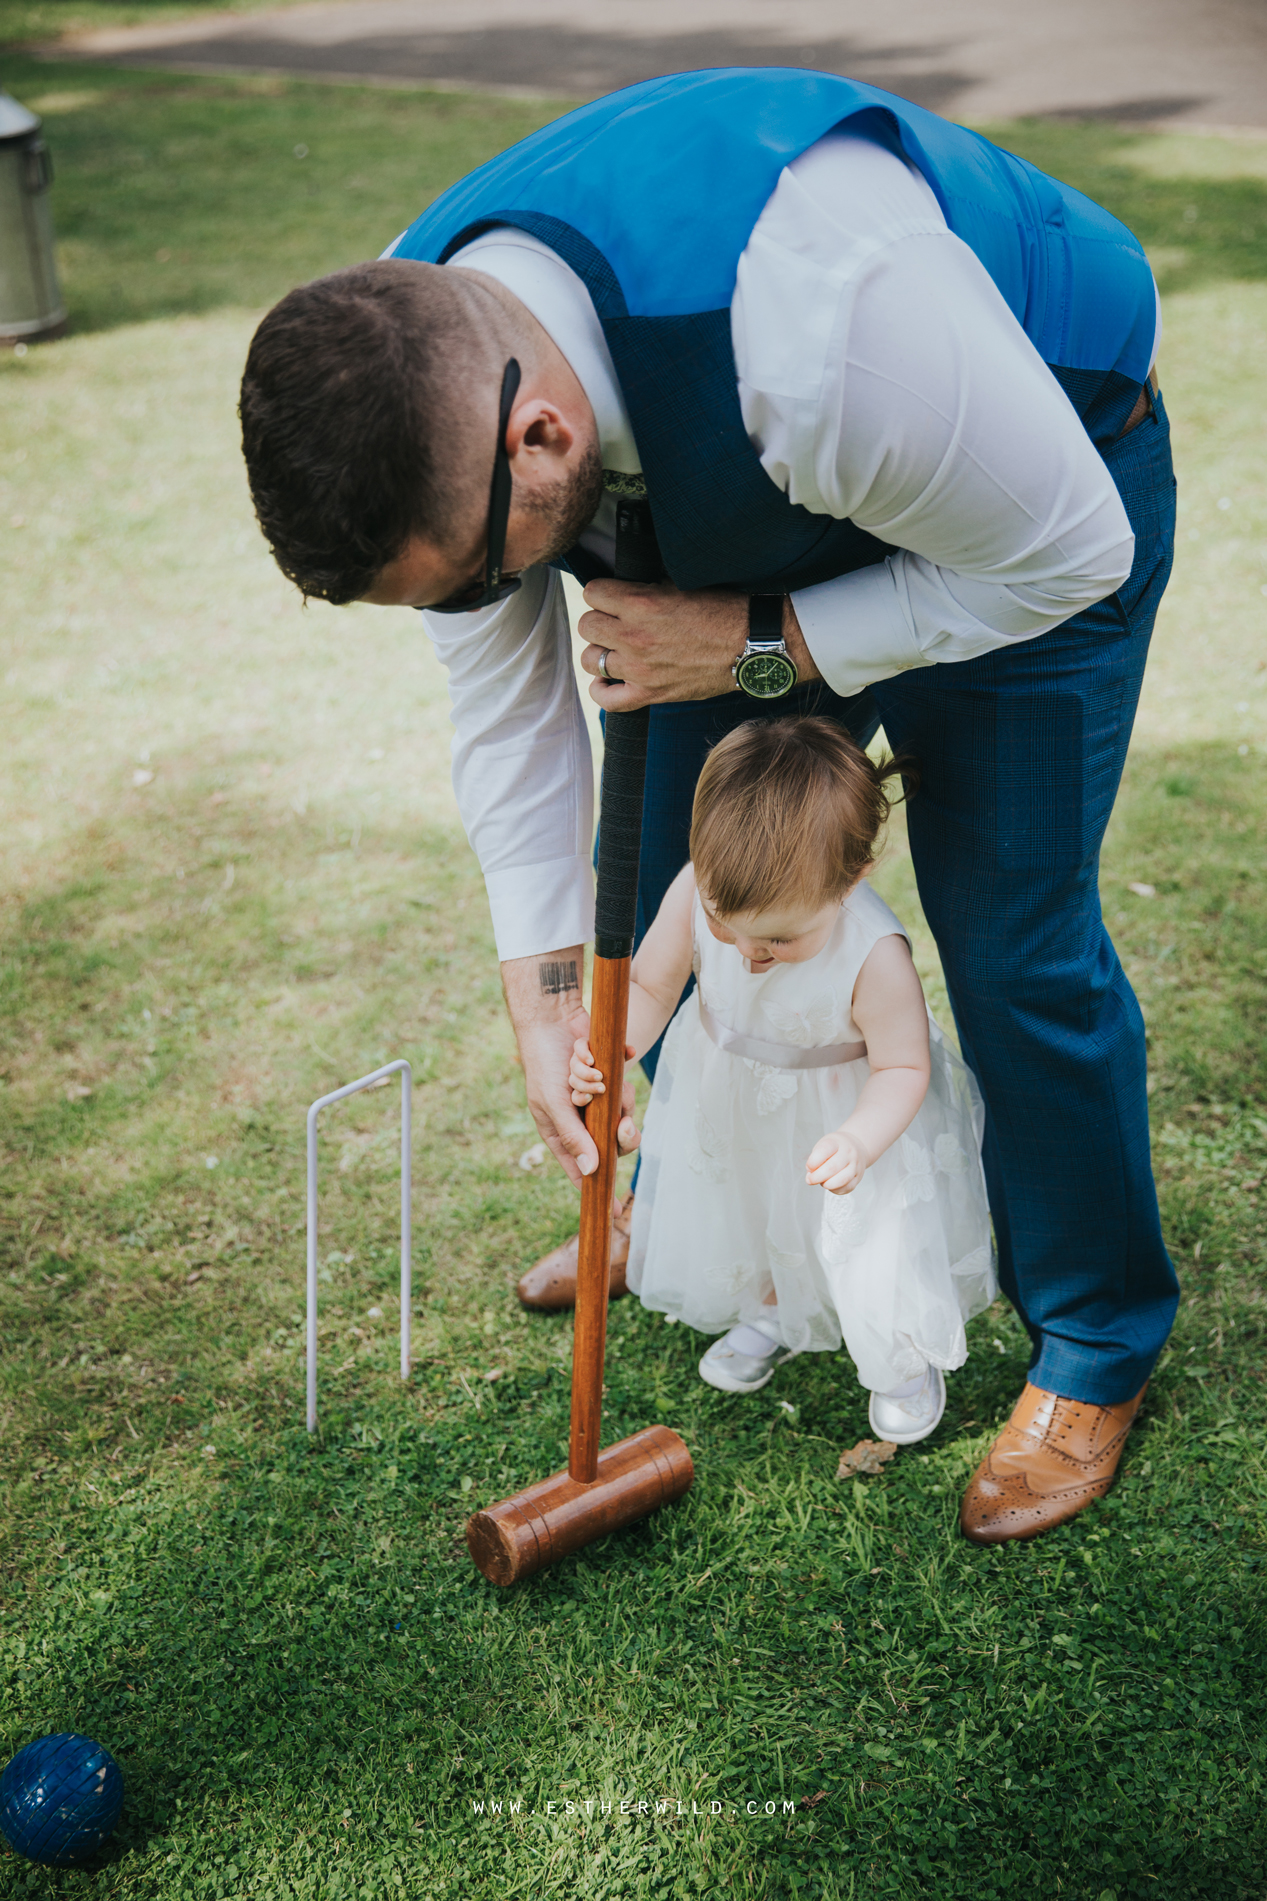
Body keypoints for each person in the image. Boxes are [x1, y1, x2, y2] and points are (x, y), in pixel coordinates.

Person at [238, 68, 1179, 1542]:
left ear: (541, 437)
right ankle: (702, 1220)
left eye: (489, 575)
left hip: (1028, 495)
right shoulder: (415, 371)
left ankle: (1095, 1338)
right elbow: (509, 720)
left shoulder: (827, 320)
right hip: (747, 517)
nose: (494, 604)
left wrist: (760, 640)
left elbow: (1068, 550)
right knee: (691, 906)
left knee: (1009, 938)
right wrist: (549, 999)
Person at [566, 718, 995, 1443]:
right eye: (725, 927)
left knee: (867, 1243)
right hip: (734, 1103)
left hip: (846, 1118)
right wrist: (613, 1045)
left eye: (777, 939)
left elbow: (901, 1066)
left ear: (851, 878)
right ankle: (770, 1308)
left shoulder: (872, 953)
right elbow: (648, 984)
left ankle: (899, 1357)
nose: (745, 953)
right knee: (752, 1210)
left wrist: (860, 1140)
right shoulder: (697, 891)